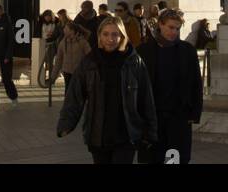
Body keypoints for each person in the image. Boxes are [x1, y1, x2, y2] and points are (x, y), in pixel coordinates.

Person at [57, 14, 156, 165]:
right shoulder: (90, 61)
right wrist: (66, 123)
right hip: (98, 134)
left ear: (122, 36)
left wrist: (150, 131)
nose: (110, 39)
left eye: (115, 34)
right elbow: (75, 95)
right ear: (99, 36)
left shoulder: (134, 61)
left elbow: (146, 98)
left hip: (126, 134)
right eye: (106, 34)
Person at [138, 8, 203, 165]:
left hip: (178, 116)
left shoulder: (187, 51)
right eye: (170, 27)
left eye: (177, 28)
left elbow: (196, 83)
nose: (174, 32)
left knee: (175, 159)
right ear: (160, 25)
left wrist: (194, 113)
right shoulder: (143, 51)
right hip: (152, 118)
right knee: (152, 158)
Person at [53, 21, 90, 93]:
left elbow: (90, 56)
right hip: (67, 71)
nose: (64, 30)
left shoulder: (82, 42)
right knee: (68, 91)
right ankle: (68, 104)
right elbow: (58, 60)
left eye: (66, 29)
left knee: (79, 92)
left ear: (72, 31)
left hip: (79, 72)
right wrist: (53, 76)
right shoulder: (63, 43)